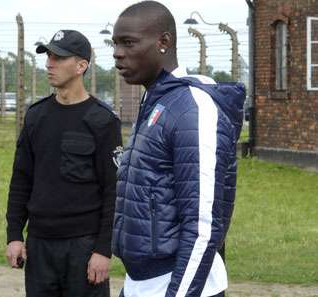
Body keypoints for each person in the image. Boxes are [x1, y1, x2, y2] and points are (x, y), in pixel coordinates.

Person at [111, 1, 245, 297]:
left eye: (128, 43)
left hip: (177, 284)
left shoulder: (192, 109)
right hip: (141, 283)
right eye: (115, 43)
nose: (117, 53)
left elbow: (203, 227)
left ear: (163, 42)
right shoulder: (156, 102)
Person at [5, 30, 122, 297]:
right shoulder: (36, 116)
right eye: (48, 56)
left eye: (58, 57)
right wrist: (14, 235)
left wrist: (103, 250)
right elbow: (21, 180)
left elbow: (113, 191)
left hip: (83, 246)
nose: (49, 63)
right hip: (39, 245)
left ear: (81, 66)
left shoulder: (103, 121)